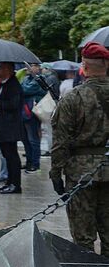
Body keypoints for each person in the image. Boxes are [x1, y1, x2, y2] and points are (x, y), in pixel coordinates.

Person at [49, 42, 109, 252]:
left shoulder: (73, 98)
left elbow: (61, 142)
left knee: (83, 238)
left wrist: (56, 172)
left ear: (84, 66)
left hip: (81, 174)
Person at [0, 62, 25, 195]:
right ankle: (9, 182)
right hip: (2, 126)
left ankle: (15, 184)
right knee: (6, 155)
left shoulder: (14, 86)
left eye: (1, 69)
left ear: (8, 70)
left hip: (10, 126)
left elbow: (13, 105)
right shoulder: (4, 85)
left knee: (11, 155)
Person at [20, 64, 46, 173]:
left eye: (33, 66)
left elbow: (26, 90)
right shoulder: (26, 78)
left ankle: (35, 164)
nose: (29, 68)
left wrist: (23, 89)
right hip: (24, 111)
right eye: (29, 66)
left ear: (38, 67)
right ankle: (29, 162)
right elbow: (21, 88)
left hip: (33, 113)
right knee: (25, 139)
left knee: (33, 139)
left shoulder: (40, 79)